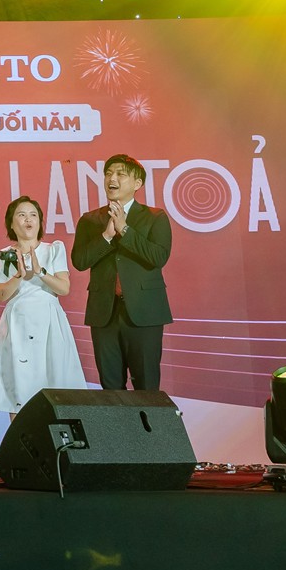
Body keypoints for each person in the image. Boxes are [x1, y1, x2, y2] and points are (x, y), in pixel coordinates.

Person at [72, 153, 174, 391]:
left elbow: (158, 257)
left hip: (144, 312)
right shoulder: (90, 220)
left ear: (137, 183)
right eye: (108, 173)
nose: (112, 179)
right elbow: (80, 261)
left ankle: (148, 419)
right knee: (111, 387)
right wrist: (106, 236)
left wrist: (125, 229)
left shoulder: (155, 217)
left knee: (146, 385)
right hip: (104, 313)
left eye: (120, 174)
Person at [0, 195, 85, 412]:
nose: (28, 219)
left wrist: (40, 272)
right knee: (18, 386)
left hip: (49, 321)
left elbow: (63, 288)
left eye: (33, 215)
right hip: (17, 323)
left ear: (40, 222)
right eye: (21, 215)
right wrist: (18, 276)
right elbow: (0, 295)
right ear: (12, 224)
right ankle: (20, 433)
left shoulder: (53, 249)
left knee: (55, 380)